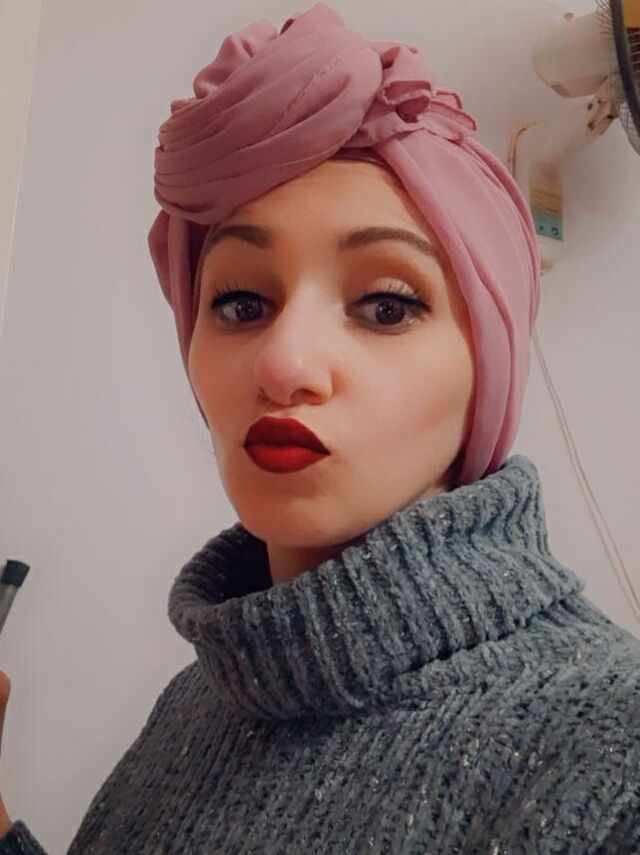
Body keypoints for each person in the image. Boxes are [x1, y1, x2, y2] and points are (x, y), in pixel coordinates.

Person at [1, 3, 639, 852]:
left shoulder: (613, 755)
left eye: (386, 305)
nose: (284, 361)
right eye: (241, 302)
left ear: (489, 364)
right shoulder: (202, 698)